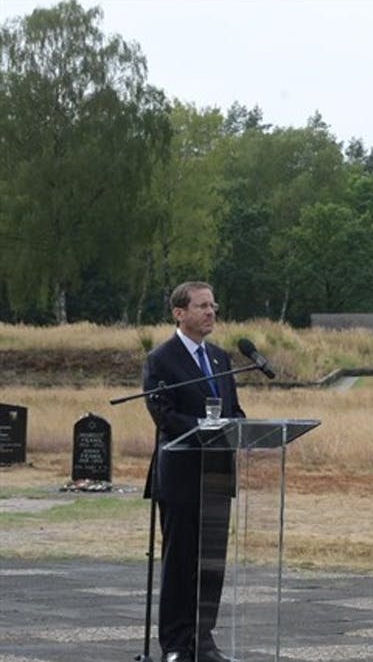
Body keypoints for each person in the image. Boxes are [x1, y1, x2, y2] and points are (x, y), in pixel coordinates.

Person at [143, 281, 244, 662]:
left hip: (218, 476)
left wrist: (237, 426)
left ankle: (203, 640)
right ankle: (175, 644)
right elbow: (164, 416)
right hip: (182, 476)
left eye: (213, 306)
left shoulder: (219, 357)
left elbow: (236, 410)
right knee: (181, 564)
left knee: (210, 566)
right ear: (179, 313)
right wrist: (205, 426)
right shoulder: (161, 359)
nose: (210, 312)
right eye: (202, 306)